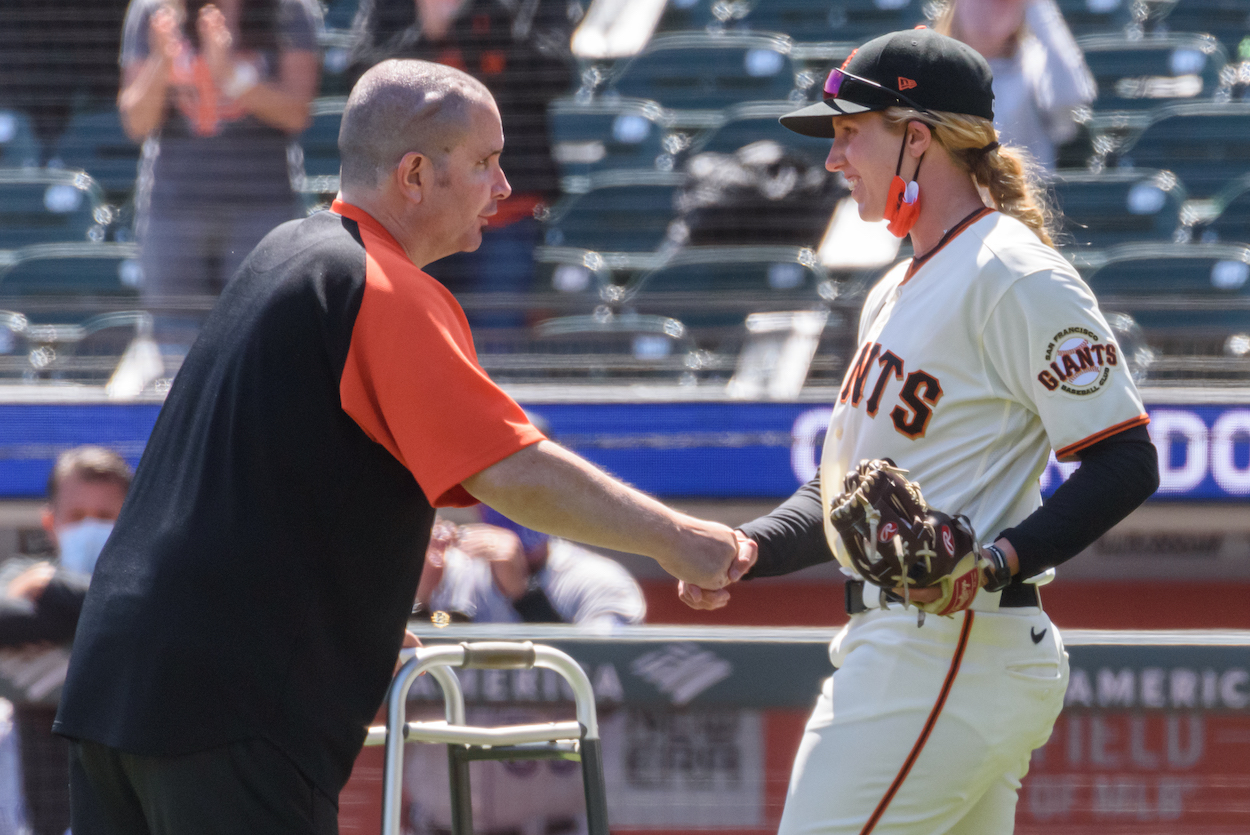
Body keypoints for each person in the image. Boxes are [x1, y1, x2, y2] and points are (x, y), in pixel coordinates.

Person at [54, 58, 751, 835]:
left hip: (114, 689)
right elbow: (508, 466)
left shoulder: (285, 251)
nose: (502, 184)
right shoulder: (380, 285)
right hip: (229, 713)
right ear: (415, 173)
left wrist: (349, 627)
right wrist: (677, 538)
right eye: (485, 161)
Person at [680, 29, 1158, 834]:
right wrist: (749, 547)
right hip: (925, 649)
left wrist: (997, 558)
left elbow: (1127, 459)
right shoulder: (895, 288)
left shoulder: (1012, 271)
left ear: (917, 137)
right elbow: (849, 494)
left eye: (848, 132)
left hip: (945, 644)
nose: (834, 159)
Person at [347, 0, 575, 324]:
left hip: (502, 212)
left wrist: (500, 23)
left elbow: (558, 73)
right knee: (415, 342)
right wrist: (426, 34)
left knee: (495, 350)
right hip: (414, 213)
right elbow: (360, 81)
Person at [118, 0, 322, 343]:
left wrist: (231, 76)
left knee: (260, 340)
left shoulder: (289, 10)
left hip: (261, 211)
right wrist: (160, 63)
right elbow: (136, 123)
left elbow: (297, 113)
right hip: (173, 212)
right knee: (174, 346)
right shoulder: (153, 11)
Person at [0, 446, 132, 835]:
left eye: (106, 516)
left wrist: (56, 590)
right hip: (32, 785)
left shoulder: (159, 589)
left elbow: (150, 613)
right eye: (76, 517)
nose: (90, 528)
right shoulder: (19, 575)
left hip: (123, 781)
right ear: (49, 522)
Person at [932, 0, 1095, 171]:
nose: (988, 7)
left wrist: (1039, 9)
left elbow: (1070, 106)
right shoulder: (928, 66)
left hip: (1027, 194)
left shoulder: (1036, 66)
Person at [416, 511, 647, 628]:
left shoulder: (600, 580)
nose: (510, 505)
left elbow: (603, 672)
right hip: (466, 721)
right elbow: (426, 666)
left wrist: (525, 597)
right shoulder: (454, 573)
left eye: (527, 492)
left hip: (563, 721)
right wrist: (420, 603)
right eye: (494, 488)